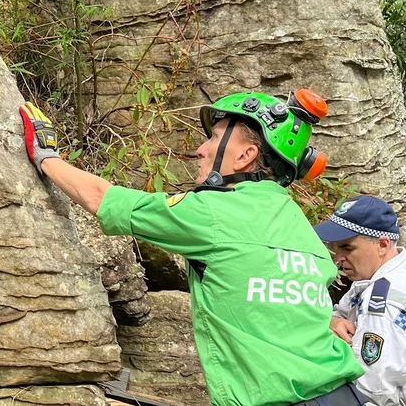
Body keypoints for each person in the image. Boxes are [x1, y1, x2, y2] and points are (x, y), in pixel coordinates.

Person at [20, 91, 368, 406]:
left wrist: (47, 157)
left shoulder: (213, 213)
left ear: (246, 156)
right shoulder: (300, 226)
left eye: (214, 138)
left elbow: (103, 199)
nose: (200, 149)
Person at [315, 196, 406, 406]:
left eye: (347, 248)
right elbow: (342, 311)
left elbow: (369, 391)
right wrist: (330, 321)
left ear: (382, 244)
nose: (337, 258)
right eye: (335, 247)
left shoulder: (382, 307)